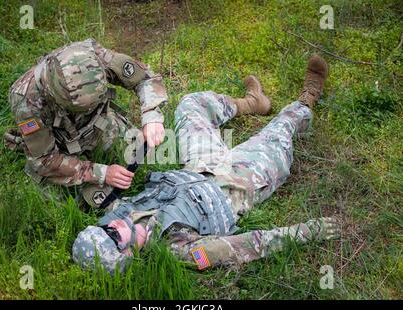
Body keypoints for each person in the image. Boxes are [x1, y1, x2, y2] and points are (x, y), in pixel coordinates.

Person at [73, 55, 340, 274]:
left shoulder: (120, 214)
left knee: (190, 105)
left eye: (106, 227)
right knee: (279, 132)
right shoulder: (178, 248)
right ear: (127, 254)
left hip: (198, 167)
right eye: (114, 237)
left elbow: (91, 193)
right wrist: (307, 232)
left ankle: (251, 103)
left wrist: (99, 175)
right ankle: (308, 99)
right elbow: (251, 244)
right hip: (236, 183)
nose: (115, 227)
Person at [4, 38, 168, 207]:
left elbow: (144, 77)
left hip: (98, 125)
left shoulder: (95, 57)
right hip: (58, 145)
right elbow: (44, 161)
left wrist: (151, 116)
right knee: (67, 202)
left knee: (142, 155)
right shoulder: (26, 101)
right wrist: (101, 173)